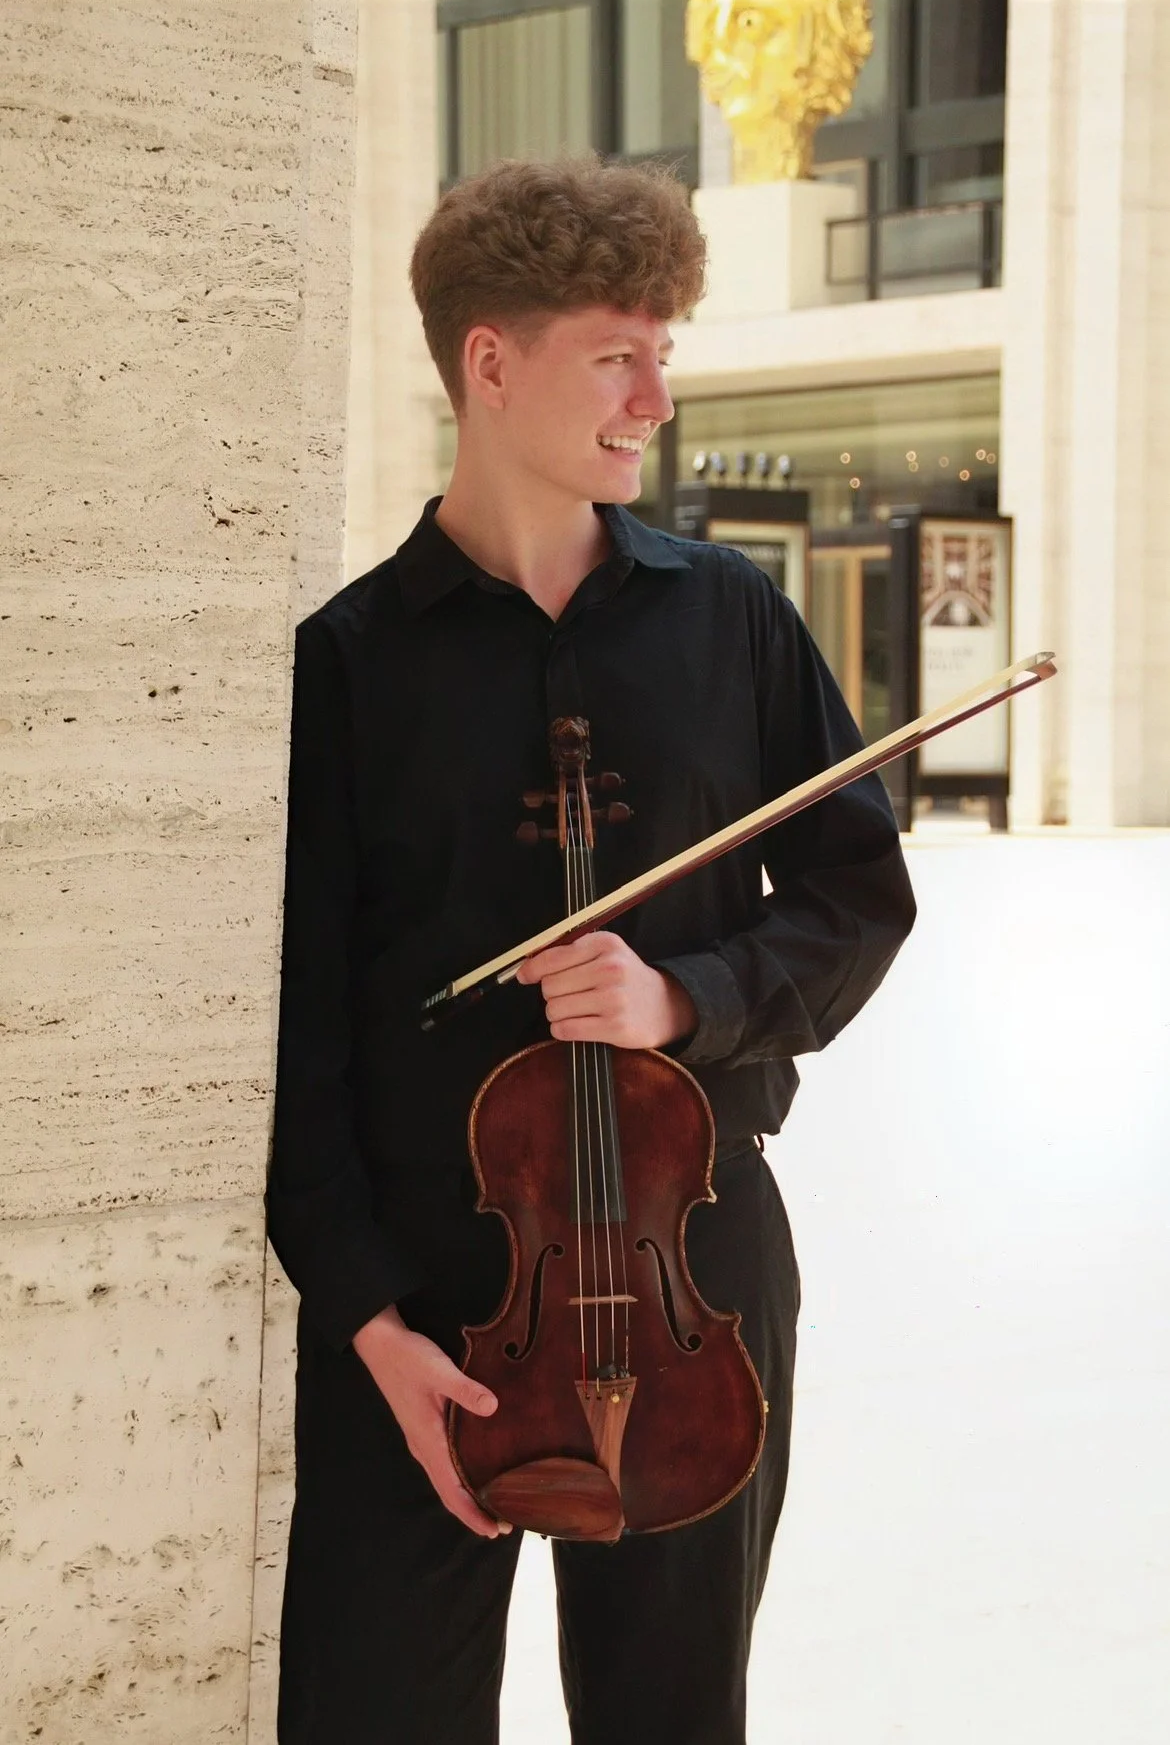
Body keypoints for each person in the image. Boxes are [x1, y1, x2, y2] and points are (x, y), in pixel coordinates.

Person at [265, 154, 916, 1745]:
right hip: (423, 1295)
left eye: (663, 351)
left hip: (688, 1267)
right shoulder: (348, 665)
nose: (657, 397)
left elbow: (855, 899)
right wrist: (369, 1325)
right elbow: (296, 1038)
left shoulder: (732, 620)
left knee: (671, 1716)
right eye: (619, 353)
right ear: (490, 363)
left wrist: (683, 998)